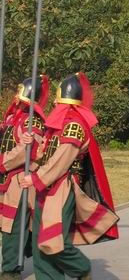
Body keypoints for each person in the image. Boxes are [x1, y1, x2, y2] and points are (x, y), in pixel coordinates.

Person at [19, 73, 119, 280]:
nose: (53, 101)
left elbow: (61, 160)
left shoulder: (74, 125)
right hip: (43, 188)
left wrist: (36, 179)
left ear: (63, 97)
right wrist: (31, 142)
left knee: (53, 240)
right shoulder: (57, 125)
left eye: (56, 97)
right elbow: (44, 153)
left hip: (61, 188)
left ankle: (81, 268)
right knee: (39, 242)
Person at [0, 77, 48, 279]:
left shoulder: (31, 120)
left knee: (13, 227)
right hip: (6, 179)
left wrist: (2, 162)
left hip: (19, 180)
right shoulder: (14, 117)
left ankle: (11, 270)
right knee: (7, 225)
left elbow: (26, 151)